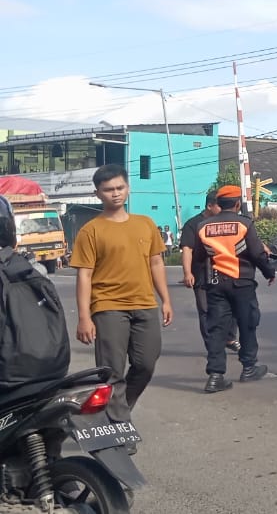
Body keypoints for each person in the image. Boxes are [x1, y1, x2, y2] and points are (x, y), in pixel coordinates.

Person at [70, 164, 174, 445]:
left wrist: (165, 299)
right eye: (108, 190)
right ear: (97, 194)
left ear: (128, 188)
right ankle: (120, 427)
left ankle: (119, 411)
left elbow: (156, 262)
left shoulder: (145, 224)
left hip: (144, 303)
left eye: (119, 188)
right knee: (111, 371)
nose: (115, 194)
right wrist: (84, 317)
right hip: (107, 307)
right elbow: (85, 275)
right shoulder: (90, 231)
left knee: (146, 364)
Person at [195, 185, 275, 393]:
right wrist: (269, 272)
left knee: (217, 329)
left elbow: (198, 257)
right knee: (247, 324)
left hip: (215, 284)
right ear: (238, 204)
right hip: (242, 283)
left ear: (219, 204)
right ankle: (249, 367)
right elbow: (257, 254)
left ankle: (215, 376)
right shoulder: (244, 224)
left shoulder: (203, 226)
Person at [180, 190, 240, 354]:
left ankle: (229, 337)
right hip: (202, 275)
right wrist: (187, 273)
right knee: (206, 311)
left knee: (234, 307)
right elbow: (187, 249)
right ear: (209, 206)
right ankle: (213, 346)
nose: (224, 210)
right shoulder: (193, 224)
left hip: (227, 273)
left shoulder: (227, 224)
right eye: (220, 206)